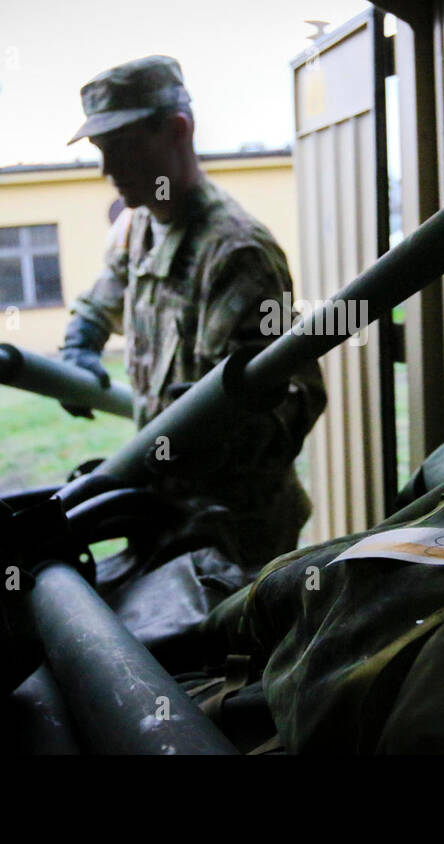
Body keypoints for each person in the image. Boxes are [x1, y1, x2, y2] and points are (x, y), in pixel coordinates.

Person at [60, 55, 326, 567]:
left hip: (235, 537)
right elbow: (106, 293)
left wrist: (220, 425)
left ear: (178, 129)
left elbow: (296, 401)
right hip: (168, 514)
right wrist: (80, 342)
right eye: (100, 149)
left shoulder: (236, 253)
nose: (107, 169)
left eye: (122, 147)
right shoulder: (139, 227)